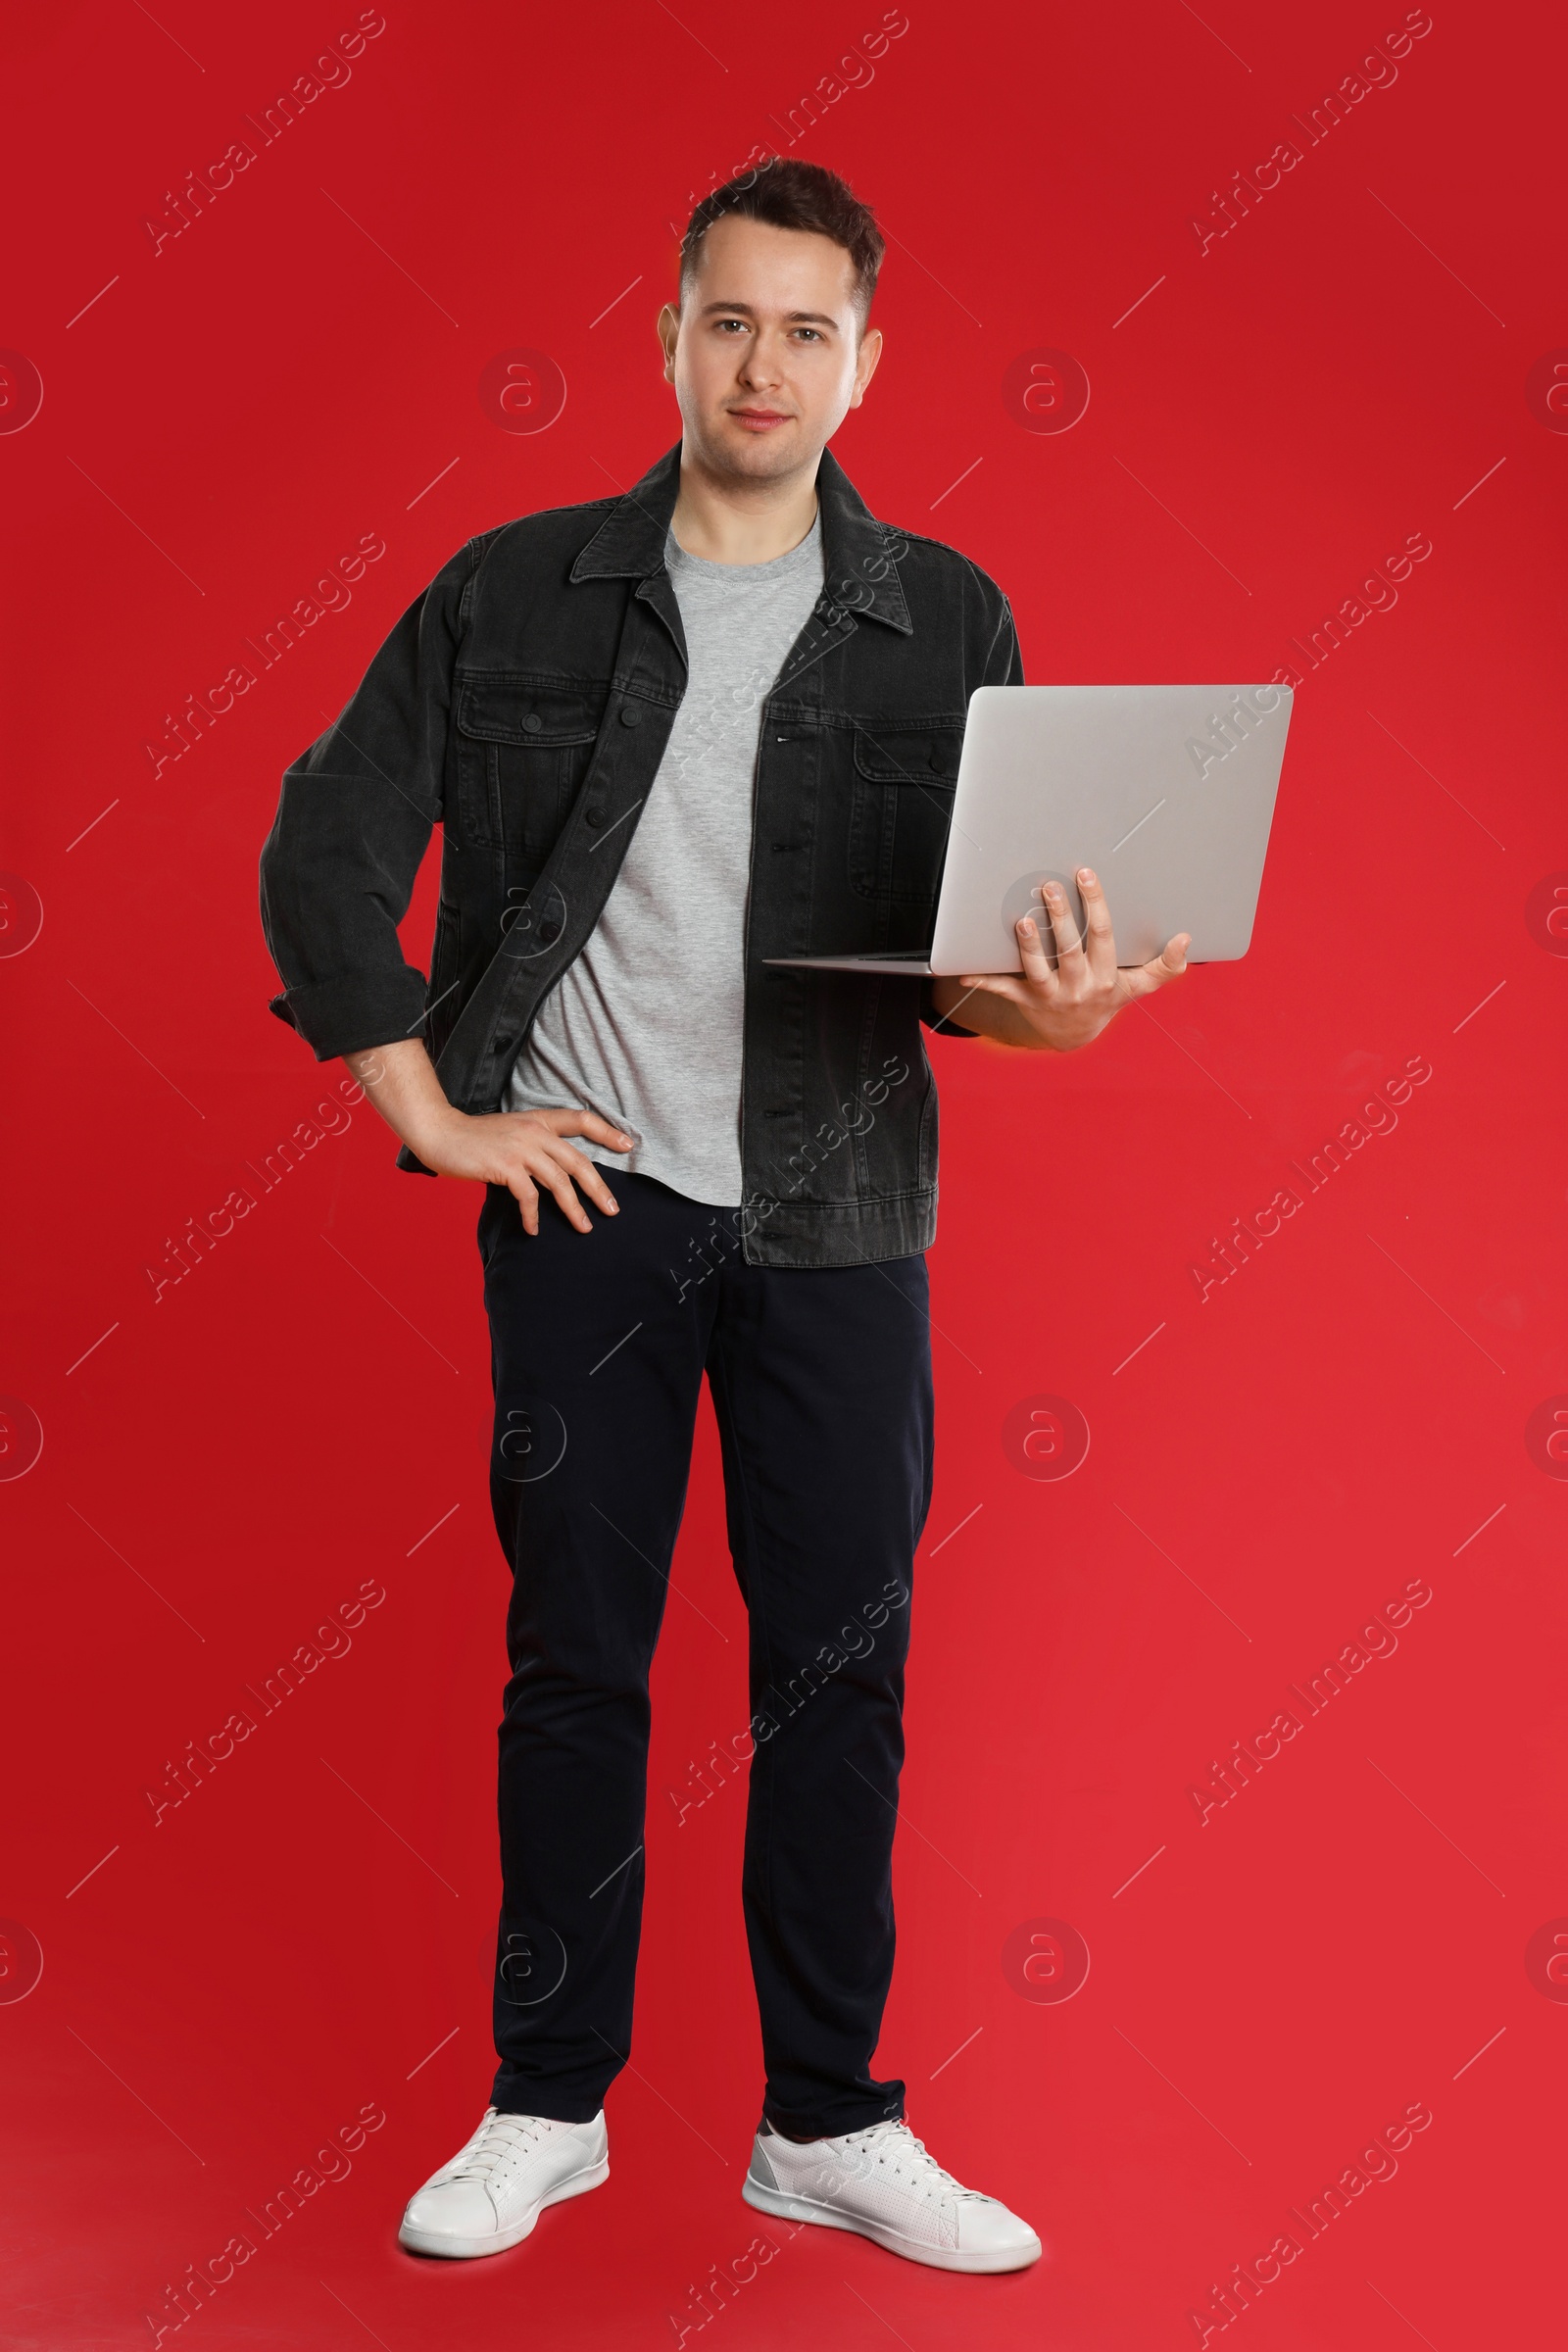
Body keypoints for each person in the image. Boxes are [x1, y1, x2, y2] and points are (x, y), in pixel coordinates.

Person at [258, 156, 1190, 2278]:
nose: (761, 361)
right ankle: (543, 2105)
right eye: (726, 319)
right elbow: (324, 845)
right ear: (667, 335)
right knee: (574, 1665)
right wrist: (437, 1111)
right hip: (587, 1209)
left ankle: (830, 2122)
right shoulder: (514, 586)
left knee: (838, 1677)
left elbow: (962, 993)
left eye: (804, 327)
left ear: (865, 360)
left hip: (839, 1212)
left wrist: (1054, 1013)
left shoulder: (945, 616)